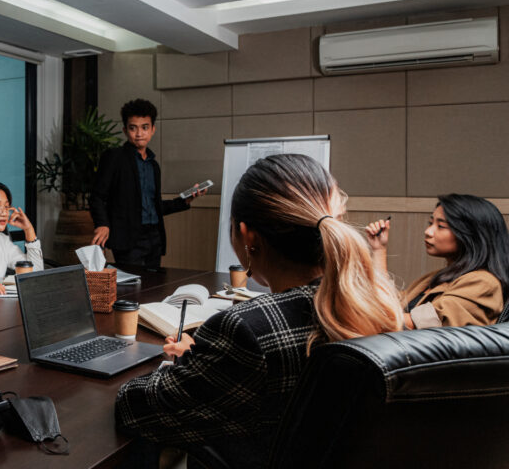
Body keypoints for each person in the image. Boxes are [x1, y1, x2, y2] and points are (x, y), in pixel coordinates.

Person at [115, 154, 403, 469]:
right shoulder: (378, 307)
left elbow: (135, 408)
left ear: (248, 237)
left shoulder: (246, 331)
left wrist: (190, 364)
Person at [90, 98, 204, 271]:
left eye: (144, 127)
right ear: (125, 130)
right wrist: (102, 224)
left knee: (153, 288)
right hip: (128, 239)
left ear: (152, 130)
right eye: (133, 128)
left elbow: (153, 205)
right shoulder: (114, 157)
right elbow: (97, 197)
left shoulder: (153, 166)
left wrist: (184, 201)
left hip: (154, 238)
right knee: (133, 290)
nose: (139, 133)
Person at [367, 194, 509, 328]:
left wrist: (365, 316)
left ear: (470, 235)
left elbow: (423, 323)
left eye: (440, 226)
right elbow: (386, 305)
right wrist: (379, 249)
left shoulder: (483, 282)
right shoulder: (436, 278)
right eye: (430, 223)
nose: (428, 231)